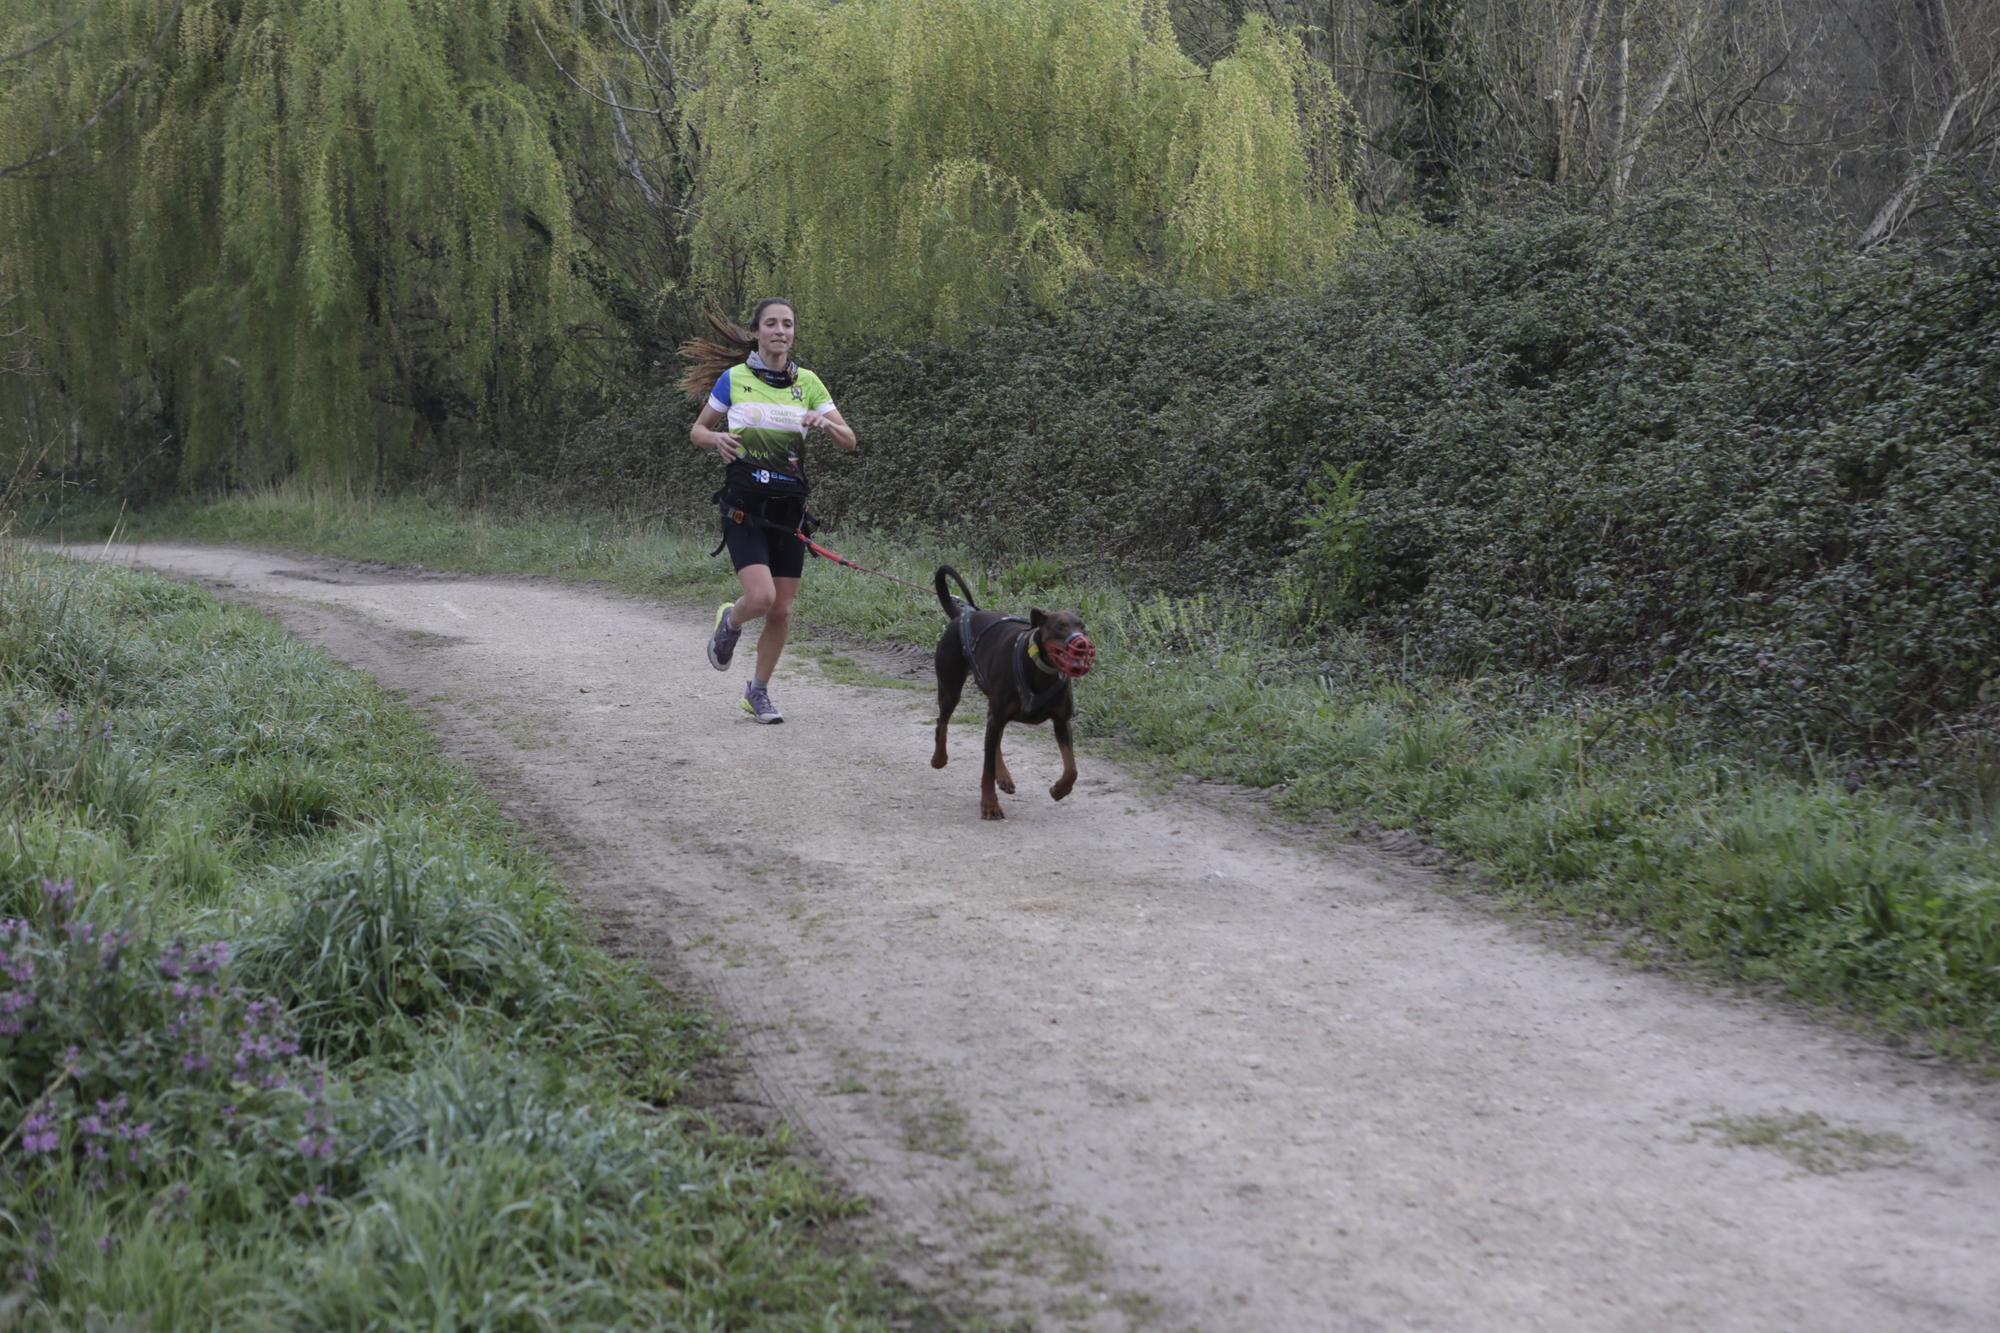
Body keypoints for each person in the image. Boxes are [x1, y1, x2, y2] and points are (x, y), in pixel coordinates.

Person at [681, 298, 856, 723]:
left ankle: (757, 692)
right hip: (744, 507)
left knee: (781, 609)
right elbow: (698, 430)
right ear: (757, 332)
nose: (781, 331)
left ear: (794, 333)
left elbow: (849, 440)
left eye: (788, 325)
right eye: (772, 324)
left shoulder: (809, 383)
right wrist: (716, 440)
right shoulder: (733, 379)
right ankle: (731, 621)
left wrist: (825, 422)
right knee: (761, 597)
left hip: (789, 509)